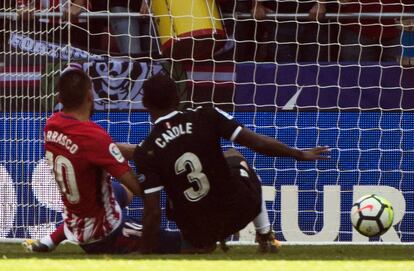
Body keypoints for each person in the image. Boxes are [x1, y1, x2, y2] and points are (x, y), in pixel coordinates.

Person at [131, 74, 330, 253]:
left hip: (199, 232)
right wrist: (299, 154)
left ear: (145, 103)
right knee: (236, 156)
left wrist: (144, 253)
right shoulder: (206, 115)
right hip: (239, 212)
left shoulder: (145, 150)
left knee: (177, 197)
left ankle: (200, 245)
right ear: (178, 98)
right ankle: (265, 234)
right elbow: (258, 143)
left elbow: (153, 212)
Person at [22, 68, 181, 254]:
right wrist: (168, 178)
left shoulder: (51, 125)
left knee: (115, 190)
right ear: (90, 95)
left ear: (59, 99)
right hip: (102, 234)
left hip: (77, 216)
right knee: (175, 241)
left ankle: (50, 239)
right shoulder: (94, 137)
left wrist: (142, 152)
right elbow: (141, 190)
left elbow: (94, 151)